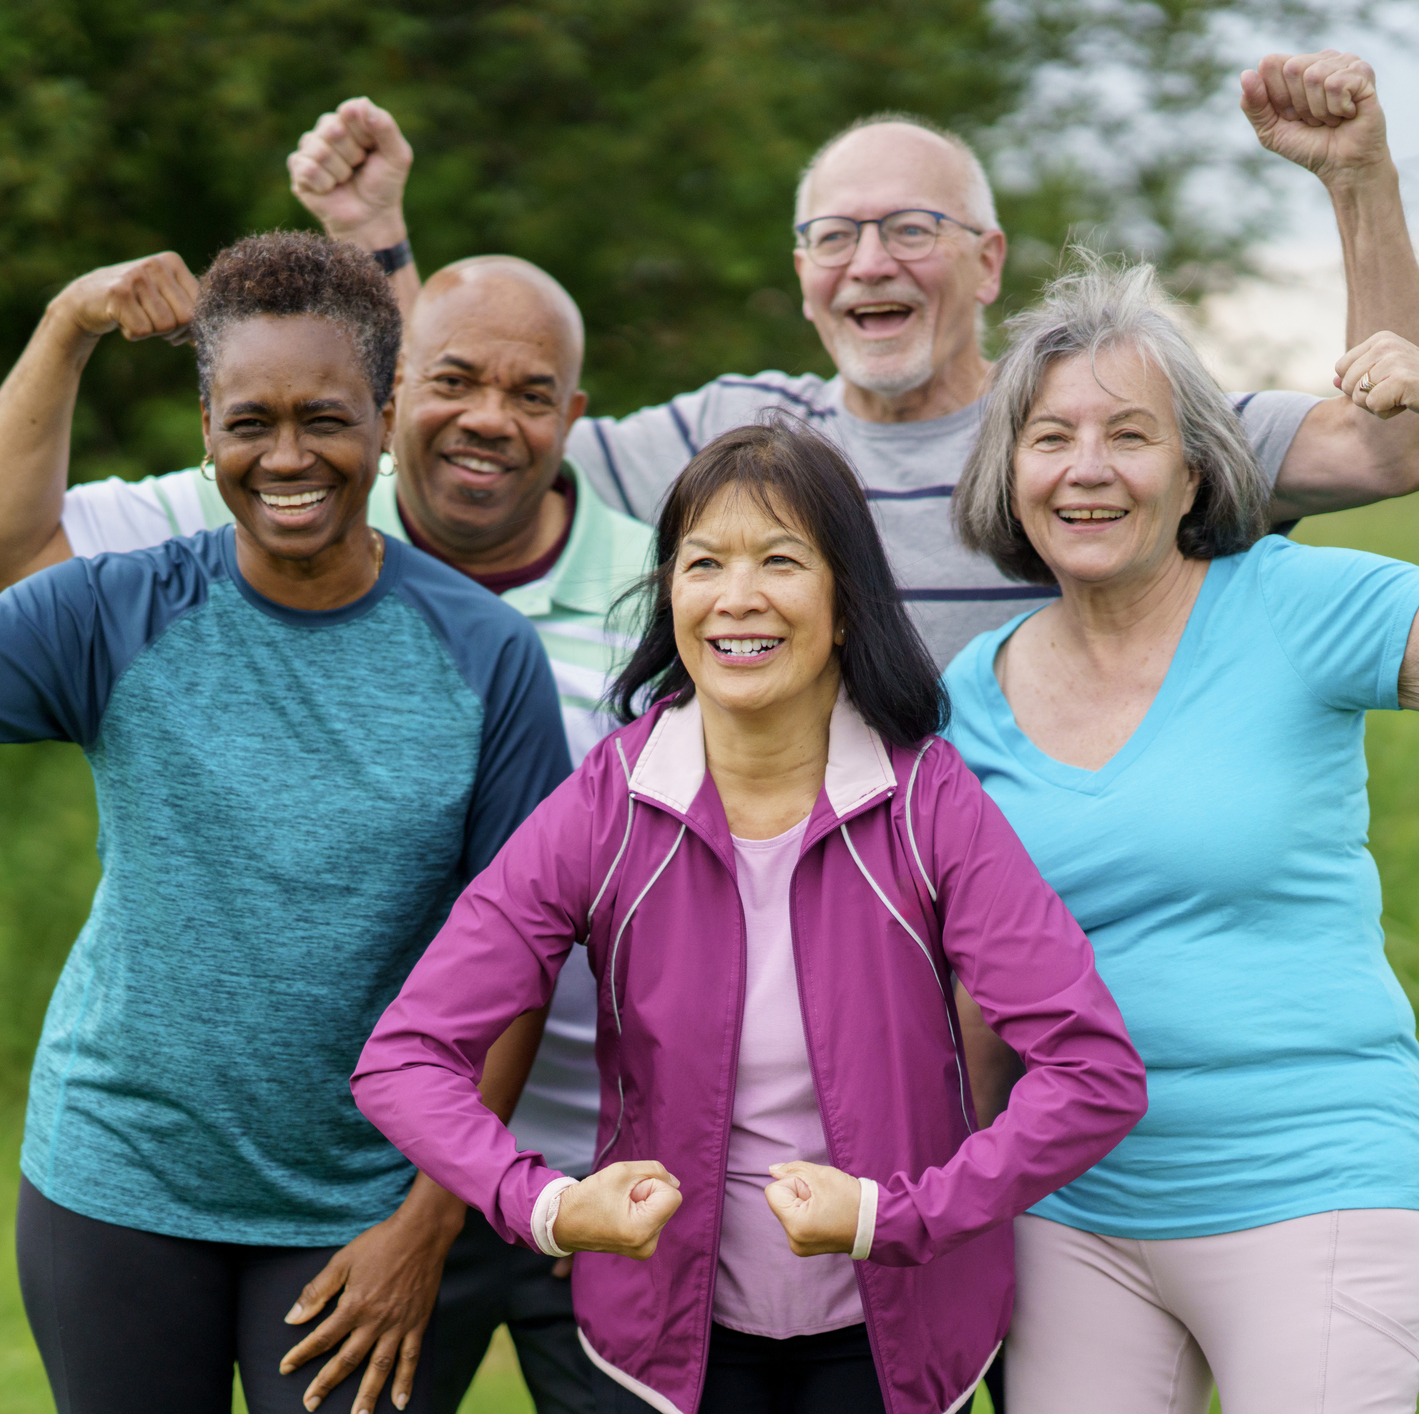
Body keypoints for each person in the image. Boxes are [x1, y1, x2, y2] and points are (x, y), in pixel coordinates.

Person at [0, 232, 574, 1414]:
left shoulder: (485, 656)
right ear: (206, 424)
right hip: (115, 1180)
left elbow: (518, 966)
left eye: (324, 417)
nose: (286, 456)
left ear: (383, 415)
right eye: (247, 421)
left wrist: (429, 1224)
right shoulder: (121, 610)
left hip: (356, 1203)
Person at [352, 418, 1151, 1414]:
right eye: (702, 563)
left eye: (780, 559)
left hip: (897, 1331)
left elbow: (1094, 1073)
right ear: (671, 593)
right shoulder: (609, 801)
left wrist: (898, 1212)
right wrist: (549, 1205)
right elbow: (404, 1058)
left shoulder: (926, 800)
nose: (737, 597)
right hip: (665, 1348)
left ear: (846, 603)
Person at [940, 256, 1419, 1413]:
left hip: (1311, 1186)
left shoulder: (1294, 604)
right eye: (1051, 437)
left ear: (1199, 467)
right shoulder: (971, 692)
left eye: (1131, 434)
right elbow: (967, 977)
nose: (1088, 468)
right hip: (1077, 1212)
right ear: (1010, 476)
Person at [286, 52, 1419, 666]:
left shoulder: (1095, 425)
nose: (869, 264)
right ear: (802, 274)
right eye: (833, 236)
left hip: (1057, 937)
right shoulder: (742, 434)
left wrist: (1359, 181)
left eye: (912, 229)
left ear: (989, 263)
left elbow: (1400, 445)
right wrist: (374, 237)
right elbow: (479, 444)